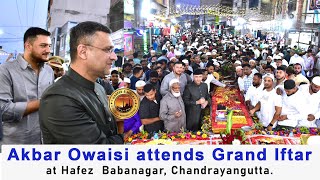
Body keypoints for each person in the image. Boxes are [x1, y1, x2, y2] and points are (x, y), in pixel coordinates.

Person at [39, 21, 123, 144]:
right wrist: (126, 137)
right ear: (83, 52)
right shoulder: (59, 99)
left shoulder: (98, 88)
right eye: (107, 50)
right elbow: (98, 153)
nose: (114, 57)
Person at [0, 27, 54, 144]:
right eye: (43, 45)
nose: (48, 50)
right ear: (28, 46)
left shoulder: (49, 71)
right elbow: (3, 110)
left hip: (43, 142)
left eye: (49, 46)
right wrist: (42, 102)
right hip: (16, 144)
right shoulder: (5, 70)